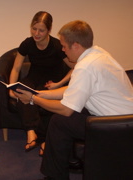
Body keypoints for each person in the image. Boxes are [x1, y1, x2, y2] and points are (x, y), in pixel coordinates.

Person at [15, 20, 133, 179]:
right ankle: (68, 159)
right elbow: (74, 90)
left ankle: (55, 176)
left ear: (76, 45)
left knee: (59, 121)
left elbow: (65, 108)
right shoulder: (97, 53)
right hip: (125, 118)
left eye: (64, 46)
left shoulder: (84, 67)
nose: (63, 50)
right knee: (67, 118)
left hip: (117, 128)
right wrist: (39, 93)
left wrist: (32, 100)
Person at [9, 11, 74, 154]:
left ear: (49, 30)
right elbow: (16, 68)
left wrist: (59, 84)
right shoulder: (27, 43)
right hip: (33, 78)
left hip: (52, 81)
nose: (36, 33)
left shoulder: (57, 46)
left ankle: (45, 140)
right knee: (22, 93)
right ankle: (31, 132)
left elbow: (75, 68)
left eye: (41, 30)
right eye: (34, 29)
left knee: (43, 101)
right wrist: (11, 87)